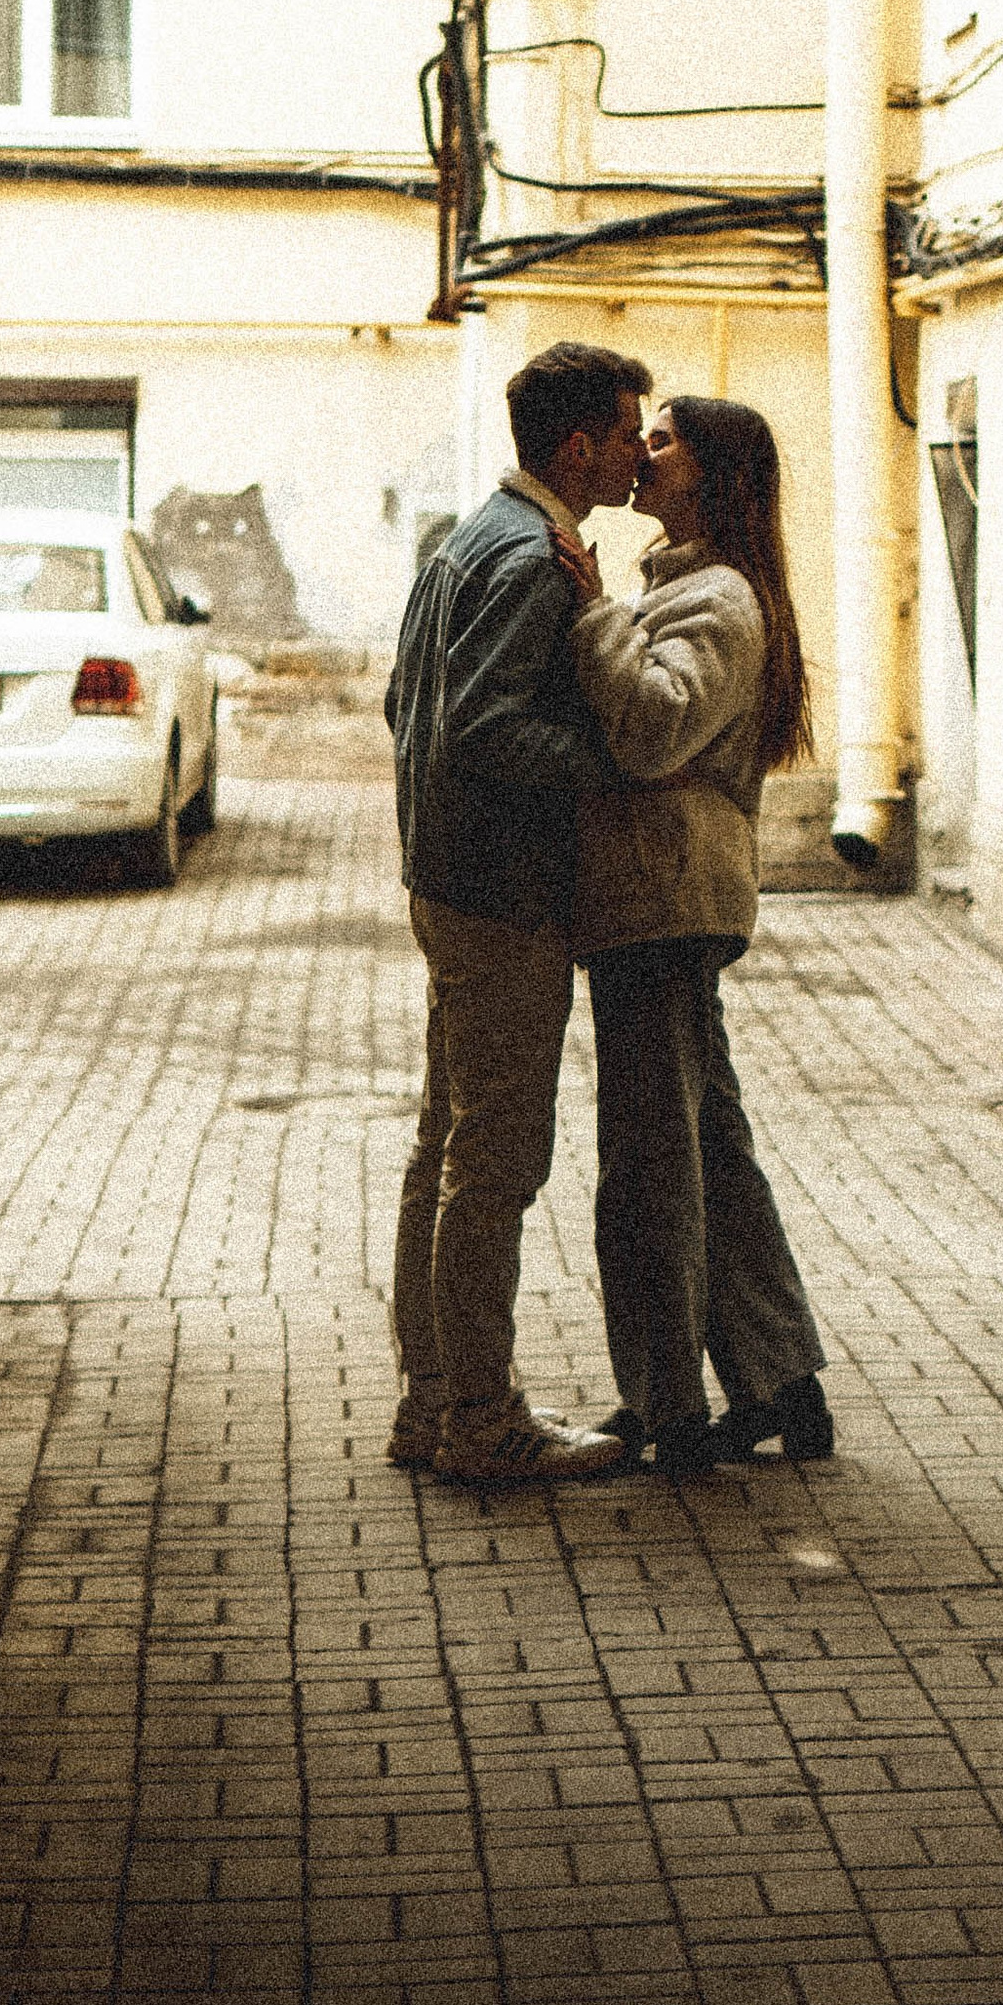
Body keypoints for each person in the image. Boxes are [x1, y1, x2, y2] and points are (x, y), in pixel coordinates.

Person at [384, 336, 651, 1482]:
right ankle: (482, 1425)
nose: (642, 454)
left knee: (444, 1147)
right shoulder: (537, 558)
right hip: (503, 895)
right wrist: (614, 758)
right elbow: (487, 730)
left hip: (447, 882)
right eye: (631, 434)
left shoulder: (464, 538)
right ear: (580, 445)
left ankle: (433, 1403)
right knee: (493, 1162)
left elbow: (406, 703)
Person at [567, 393, 833, 1474]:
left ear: (709, 475)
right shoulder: (689, 587)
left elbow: (648, 730)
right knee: (708, 1154)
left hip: (661, 905)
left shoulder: (716, 601)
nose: (640, 453)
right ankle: (782, 1387)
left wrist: (590, 617)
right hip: (662, 899)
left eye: (661, 442)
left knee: (649, 1166)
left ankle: (666, 1403)